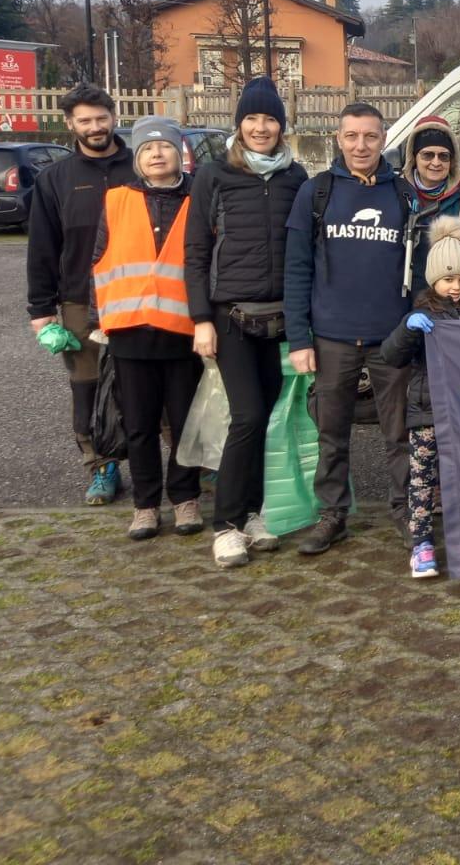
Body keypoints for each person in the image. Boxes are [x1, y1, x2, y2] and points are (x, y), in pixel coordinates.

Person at [184, 76, 308, 568]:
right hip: (230, 318)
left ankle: (254, 514)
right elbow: (194, 251)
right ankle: (226, 525)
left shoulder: (295, 177)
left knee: (266, 420)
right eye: (252, 119)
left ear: (282, 124)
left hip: (278, 321)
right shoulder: (215, 175)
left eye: (269, 118)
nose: (261, 127)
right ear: (240, 124)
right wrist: (200, 319)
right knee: (248, 417)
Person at [283, 102, 417, 555]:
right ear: (339, 140)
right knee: (331, 433)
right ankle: (332, 516)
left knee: (399, 434)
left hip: (390, 339)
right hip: (332, 337)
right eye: (352, 136)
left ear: (384, 141)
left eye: (371, 137)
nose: (362, 145)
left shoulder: (403, 194)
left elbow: (417, 270)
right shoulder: (316, 193)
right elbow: (297, 268)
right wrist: (299, 338)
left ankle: (406, 514)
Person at [89, 117, 204, 541]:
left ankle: (186, 498)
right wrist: (96, 321)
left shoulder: (198, 198)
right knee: (138, 426)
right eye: (147, 149)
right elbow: (99, 260)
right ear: (137, 158)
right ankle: (146, 505)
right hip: (130, 332)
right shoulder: (115, 200)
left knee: (185, 423)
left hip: (183, 332)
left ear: (180, 153)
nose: (157, 154)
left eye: (165, 147)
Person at [27, 82, 137, 506]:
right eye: (85, 120)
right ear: (70, 123)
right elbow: (42, 248)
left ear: (114, 117)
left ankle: (190, 464)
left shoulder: (141, 166)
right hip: (78, 300)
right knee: (86, 387)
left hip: (140, 297)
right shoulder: (55, 179)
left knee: (160, 381)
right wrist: (41, 310)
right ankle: (101, 467)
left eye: (101, 118)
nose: (95, 127)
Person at [380, 215, 460, 578]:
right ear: (433, 279)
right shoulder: (421, 313)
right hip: (426, 412)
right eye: (447, 279)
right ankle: (421, 543)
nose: (454, 287)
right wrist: (408, 330)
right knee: (422, 481)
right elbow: (391, 356)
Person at [403, 113, 460, 285]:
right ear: (414, 157)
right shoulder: (399, 194)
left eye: (443, 156)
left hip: (450, 292)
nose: (436, 162)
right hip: (406, 288)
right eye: (427, 155)